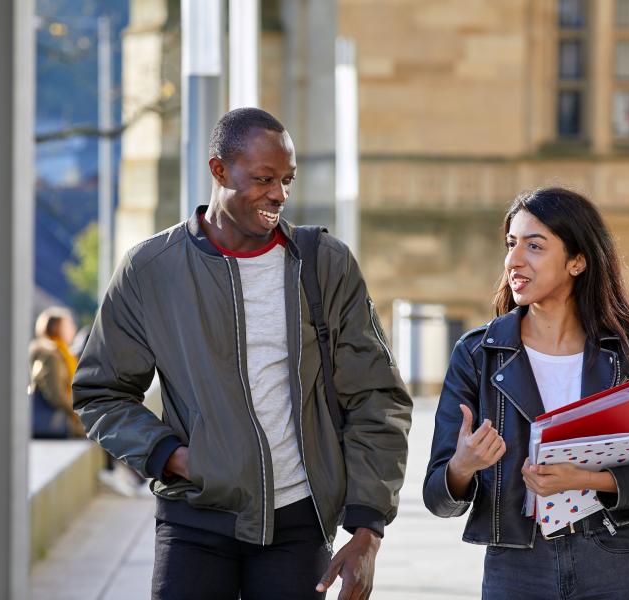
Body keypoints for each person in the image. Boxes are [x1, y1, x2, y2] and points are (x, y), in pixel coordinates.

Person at [73, 107, 412, 600]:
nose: (279, 194)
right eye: (263, 179)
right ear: (218, 170)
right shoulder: (151, 270)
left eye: (287, 180)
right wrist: (173, 457)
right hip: (195, 520)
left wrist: (367, 527)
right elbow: (100, 392)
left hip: (299, 525)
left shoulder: (324, 264)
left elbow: (377, 396)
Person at [423, 187, 629, 599]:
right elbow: (437, 496)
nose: (514, 260)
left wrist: (589, 479)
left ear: (577, 261)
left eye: (535, 246)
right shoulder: (477, 354)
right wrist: (462, 466)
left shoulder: (626, 354)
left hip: (613, 559)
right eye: (511, 244)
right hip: (516, 568)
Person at [29, 306, 83, 439]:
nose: (73, 329)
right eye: (69, 325)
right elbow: (56, 394)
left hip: (61, 423)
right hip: (55, 425)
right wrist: (78, 414)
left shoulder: (64, 354)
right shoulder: (51, 355)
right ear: (56, 328)